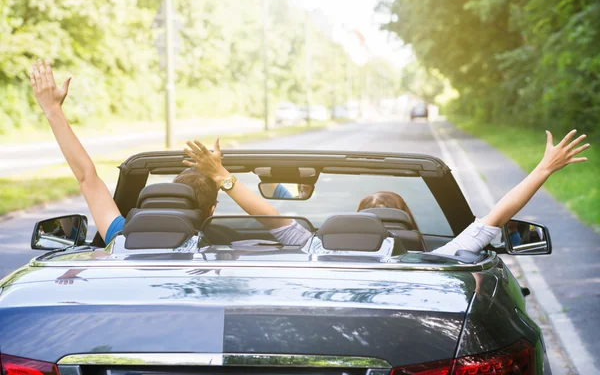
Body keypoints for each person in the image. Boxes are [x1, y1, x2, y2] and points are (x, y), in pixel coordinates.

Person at [183, 127, 589, 255]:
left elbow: (267, 213)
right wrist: (544, 168)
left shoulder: (315, 249)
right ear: (407, 223)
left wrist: (221, 174)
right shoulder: (442, 260)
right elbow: (498, 213)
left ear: (356, 222)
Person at [29, 59, 218, 244]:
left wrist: (53, 110)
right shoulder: (226, 248)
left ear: (171, 198)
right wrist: (224, 177)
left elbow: (87, 177)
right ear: (211, 211)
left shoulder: (121, 238)